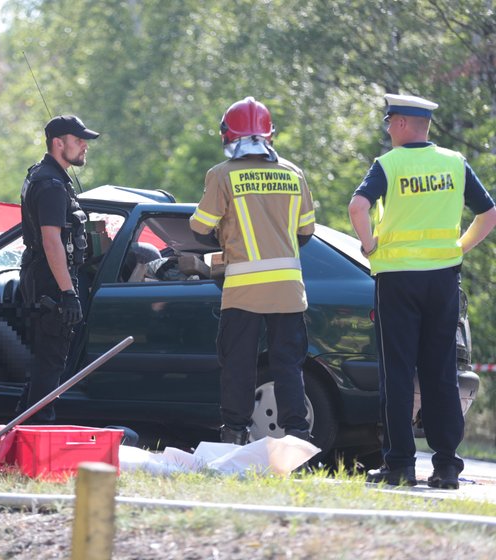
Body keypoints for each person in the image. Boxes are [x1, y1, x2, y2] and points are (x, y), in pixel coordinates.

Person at [349, 93, 496, 488]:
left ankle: (399, 465)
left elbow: (357, 207)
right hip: (442, 278)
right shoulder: (454, 163)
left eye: (388, 123)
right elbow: (489, 212)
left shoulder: (389, 165)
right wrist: (459, 247)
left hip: (398, 279)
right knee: (441, 372)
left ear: (399, 124)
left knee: (398, 374)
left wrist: (368, 245)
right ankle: (447, 465)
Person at [189, 97, 316, 445]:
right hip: (289, 291)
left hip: (243, 290)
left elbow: (199, 229)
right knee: (289, 366)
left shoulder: (221, 175)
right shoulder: (293, 174)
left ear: (228, 136)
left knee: (238, 366)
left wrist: (224, 233)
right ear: (269, 135)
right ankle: (297, 436)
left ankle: (235, 434)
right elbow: (306, 233)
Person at [17, 114, 99, 422]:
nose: (84, 147)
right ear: (58, 143)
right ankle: (38, 431)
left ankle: (19, 429)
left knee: (46, 363)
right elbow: (52, 242)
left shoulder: (46, 176)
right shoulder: (51, 184)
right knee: (50, 364)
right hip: (52, 283)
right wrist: (67, 292)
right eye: (79, 141)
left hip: (45, 278)